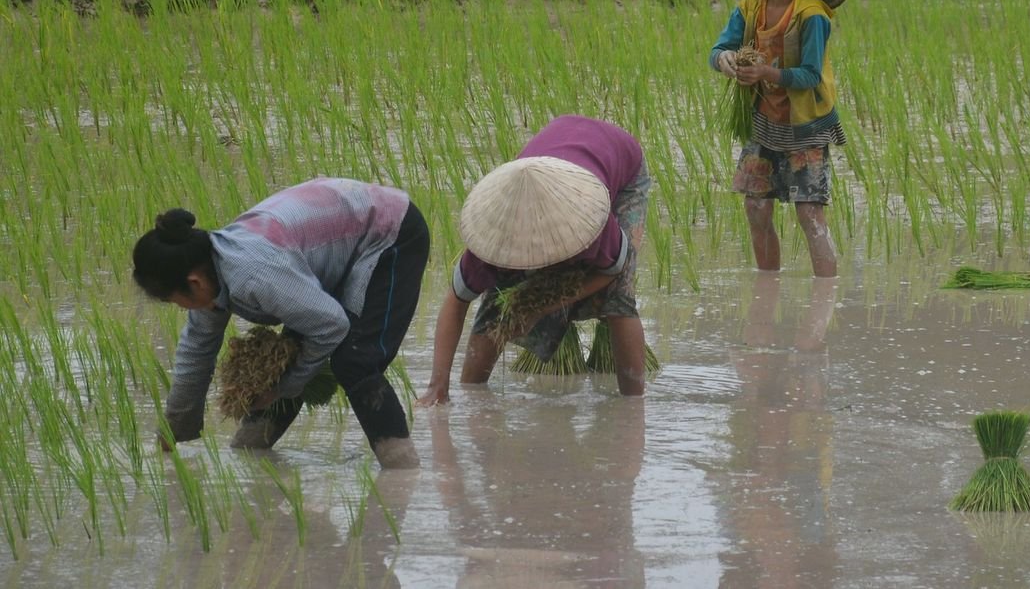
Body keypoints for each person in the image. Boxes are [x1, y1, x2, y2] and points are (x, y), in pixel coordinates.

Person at [131, 177, 430, 469]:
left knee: (355, 361)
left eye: (175, 301)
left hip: (388, 231)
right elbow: (195, 354)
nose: (181, 308)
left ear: (194, 282)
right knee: (282, 360)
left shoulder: (254, 277)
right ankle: (250, 452)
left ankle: (401, 472)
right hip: (338, 231)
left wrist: (286, 387)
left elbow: (332, 326)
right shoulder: (211, 271)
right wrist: (172, 432)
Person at [416, 114, 650, 406]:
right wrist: (437, 385)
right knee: (497, 304)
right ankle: (473, 392)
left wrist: (542, 308)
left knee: (619, 298)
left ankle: (634, 406)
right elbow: (455, 302)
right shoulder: (492, 240)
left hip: (617, 160)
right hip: (549, 160)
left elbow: (613, 269)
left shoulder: (590, 222)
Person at [710, 0, 848, 278]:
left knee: (809, 214)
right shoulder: (749, 8)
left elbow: (810, 75)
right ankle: (767, 290)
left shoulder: (812, 15)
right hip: (763, 123)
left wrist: (766, 73)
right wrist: (725, 60)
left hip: (806, 127)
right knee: (756, 208)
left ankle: (826, 294)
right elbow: (718, 49)